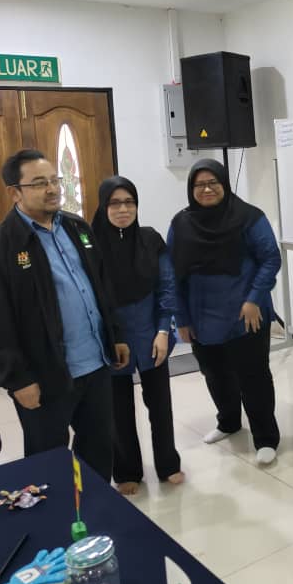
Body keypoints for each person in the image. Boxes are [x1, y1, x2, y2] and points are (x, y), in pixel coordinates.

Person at [0, 149, 129, 480]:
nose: (52, 189)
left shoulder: (77, 228)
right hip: (45, 376)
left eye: (55, 180)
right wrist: (18, 379)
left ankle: (95, 505)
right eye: (40, 183)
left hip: (96, 364)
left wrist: (115, 335)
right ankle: (57, 513)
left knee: (98, 450)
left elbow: (101, 287)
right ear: (15, 192)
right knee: (48, 464)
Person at [168, 159, 281, 465]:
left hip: (246, 315)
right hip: (202, 317)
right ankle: (228, 422)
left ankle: (266, 438)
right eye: (199, 185)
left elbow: (271, 258)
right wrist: (182, 319)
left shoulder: (249, 217)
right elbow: (172, 274)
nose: (207, 189)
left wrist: (254, 298)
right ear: (191, 189)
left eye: (213, 183)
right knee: (215, 375)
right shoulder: (181, 223)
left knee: (254, 378)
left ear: (224, 184)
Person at [91, 176, 184, 495]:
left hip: (150, 332)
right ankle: (126, 470)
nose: (123, 209)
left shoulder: (150, 239)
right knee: (117, 409)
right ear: (103, 207)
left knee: (160, 404)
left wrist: (163, 330)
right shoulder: (91, 247)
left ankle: (168, 464)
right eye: (115, 203)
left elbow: (167, 286)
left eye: (129, 202)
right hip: (112, 337)